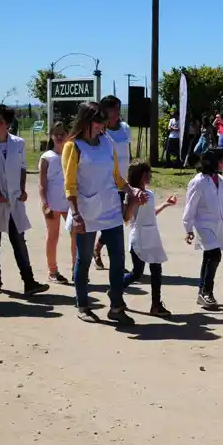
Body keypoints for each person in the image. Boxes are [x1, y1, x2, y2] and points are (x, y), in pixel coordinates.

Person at [64, 101, 147, 325]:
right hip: (86, 211)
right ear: (86, 121)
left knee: (118, 259)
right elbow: (69, 185)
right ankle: (83, 304)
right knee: (83, 260)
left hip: (110, 208)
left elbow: (116, 176)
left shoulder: (106, 142)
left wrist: (131, 189)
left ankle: (116, 306)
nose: (103, 125)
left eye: (104, 121)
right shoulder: (73, 147)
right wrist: (76, 213)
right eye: (98, 121)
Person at [0, 105, 49, 297]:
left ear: (8, 123)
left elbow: (23, 167)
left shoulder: (18, 143)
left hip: (14, 199)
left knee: (19, 240)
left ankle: (29, 281)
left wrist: (23, 189)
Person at [122, 161, 178, 316]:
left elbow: (151, 213)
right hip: (138, 237)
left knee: (156, 270)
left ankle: (156, 305)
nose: (149, 176)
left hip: (152, 237)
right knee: (137, 272)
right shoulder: (131, 195)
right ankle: (116, 290)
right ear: (138, 176)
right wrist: (134, 202)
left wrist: (165, 204)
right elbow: (126, 217)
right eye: (146, 173)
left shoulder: (151, 194)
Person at [183, 148, 223, 309]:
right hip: (203, 225)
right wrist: (188, 227)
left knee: (209, 256)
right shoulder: (198, 182)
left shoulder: (221, 180)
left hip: (217, 225)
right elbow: (190, 206)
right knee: (214, 255)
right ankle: (206, 292)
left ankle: (201, 292)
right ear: (214, 163)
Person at [94, 96, 132, 270]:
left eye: (118, 109)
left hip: (123, 183)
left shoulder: (125, 128)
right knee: (113, 221)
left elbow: (128, 155)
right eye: (112, 110)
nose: (116, 113)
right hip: (107, 183)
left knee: (120, 219)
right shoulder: (100, 132)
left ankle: (99, 248)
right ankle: (116, 261)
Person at [38, 121, 76, 285]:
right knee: (52, 237)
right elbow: (42, 184)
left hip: (70, 203)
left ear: (68, 135)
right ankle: (53, 271)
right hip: (52, 203)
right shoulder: (47, 157)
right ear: (51, 136)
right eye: (56, 134)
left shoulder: (72, 154)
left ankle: (77, 270)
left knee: (76, 236)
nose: (59, 137)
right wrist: (45, 204)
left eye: (62, 133)